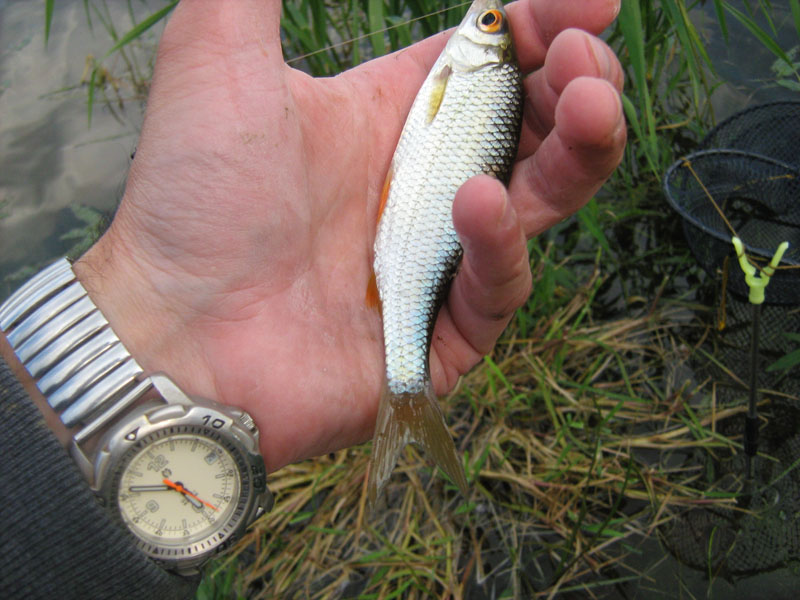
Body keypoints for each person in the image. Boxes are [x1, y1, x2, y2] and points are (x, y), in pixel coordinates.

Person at [0, 0, 626, 598]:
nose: (480, 19)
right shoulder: (482, 82)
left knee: (487, 206)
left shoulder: (482, 78)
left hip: (412, 240)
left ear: (485, 49)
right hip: (408, 238)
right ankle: (406, 396)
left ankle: (405, 393)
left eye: (486, 21)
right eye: (490, 19)